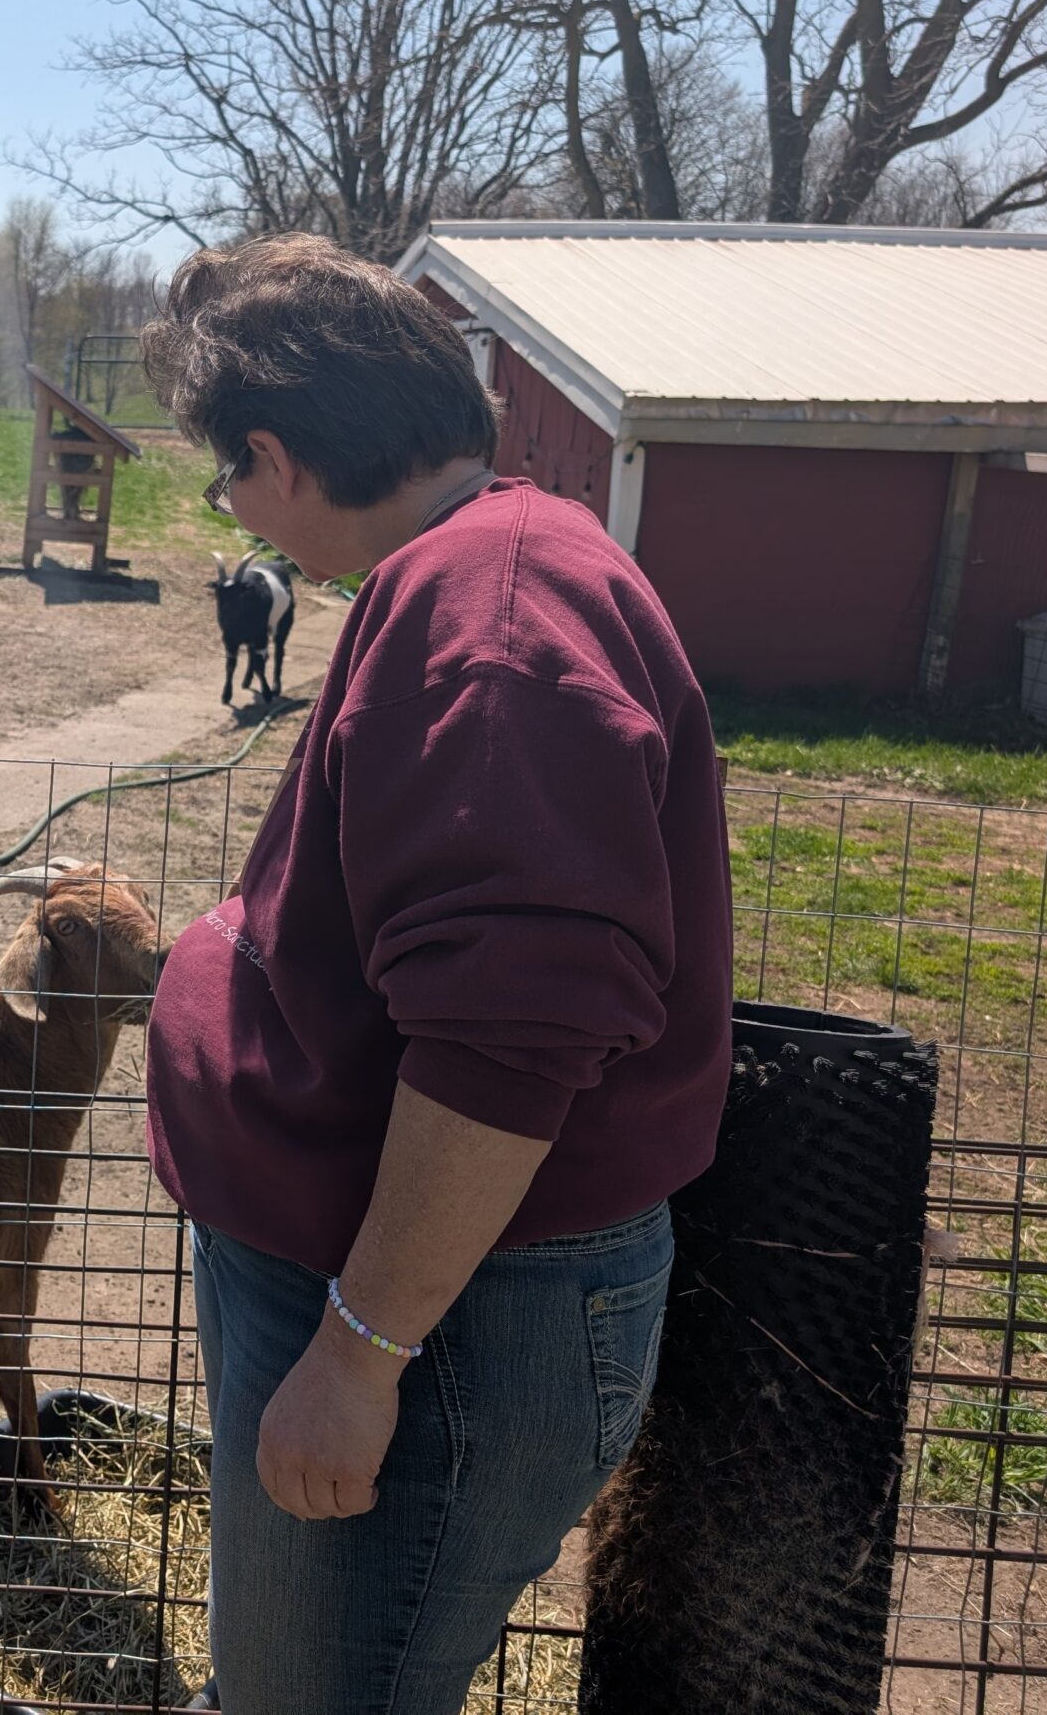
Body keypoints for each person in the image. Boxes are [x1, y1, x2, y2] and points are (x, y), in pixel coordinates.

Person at [139, 234, 732, 1713]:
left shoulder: (495, 620)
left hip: (449, 1316)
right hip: (406, 1287)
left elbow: (512, 1029)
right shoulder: (479, 570)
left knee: (320, 1698)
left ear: (273, 456)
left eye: (225, 479)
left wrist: (359, 1352)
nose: (233, 513)